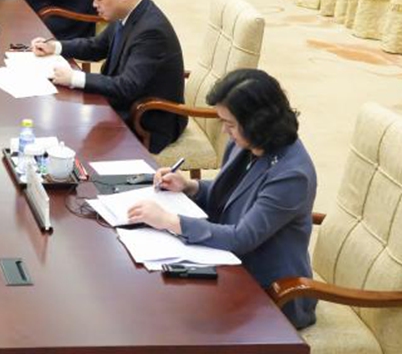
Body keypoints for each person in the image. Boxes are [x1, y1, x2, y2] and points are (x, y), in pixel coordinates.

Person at [127, 69, 317, 329]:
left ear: (257, 123)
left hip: (270, 290)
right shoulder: (247, 143)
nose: (225, 132)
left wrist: (169, 221)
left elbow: (241, 238)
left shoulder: (291, 175)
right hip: (228, 263)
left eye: (230, 124)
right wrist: (189, 186)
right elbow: (229, 195)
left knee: (182, 323)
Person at [32, 0, 186, 152]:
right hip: (121, 104)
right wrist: (55, 47)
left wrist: (75, 77)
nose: (94, 5)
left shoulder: (151, 32)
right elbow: (96, 47)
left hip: (146, 120)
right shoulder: (128, 12)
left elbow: (127, 86)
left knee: (72, 139)